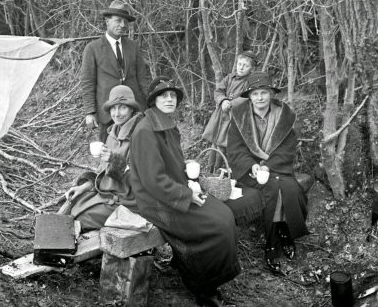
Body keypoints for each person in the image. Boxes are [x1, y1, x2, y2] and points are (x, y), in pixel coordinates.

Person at [130, 76, 240, 306]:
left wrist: (190, 179)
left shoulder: (168, 125)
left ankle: (193, 267)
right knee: (215, 227)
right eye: (163, 95)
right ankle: (204, 287)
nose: (170, 99)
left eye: (173, 96)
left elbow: (172, 166)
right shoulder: (145, 131)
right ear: (153, 100)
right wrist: (187, 195)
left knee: (224, 214)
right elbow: (153, 181)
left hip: (174, 191)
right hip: (155, 201)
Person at [227, 72, 309, 275]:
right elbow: (235, 149)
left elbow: (287, 147)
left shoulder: (284, 117)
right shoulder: (239, 117)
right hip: (251, 171)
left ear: (271, 94)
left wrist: (268, 165)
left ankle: (283, 231)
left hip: (277, 167)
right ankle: (272, 244)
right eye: (255, 94)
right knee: (273, 189)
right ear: (249, 96)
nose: (260, 98)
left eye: (264, 92)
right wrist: (252, 166)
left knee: (290, 189)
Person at [61, 85, 142, 231]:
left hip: (128, 203)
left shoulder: (140, 135)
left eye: (122, 108)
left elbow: (141, 181)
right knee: (68, 205)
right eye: (113, 108)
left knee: (77, 221)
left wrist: (114, 160)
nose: (116, 114)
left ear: (132, 109)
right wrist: (83, 187)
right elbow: (103, 173)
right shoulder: (113, 133)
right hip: (106, 195)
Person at [81, 0, 151, 142]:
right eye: (118, 21)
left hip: (133, 111)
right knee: (108, 154)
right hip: (108, 113)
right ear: (107, 21)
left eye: (125, 21)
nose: (123, 25)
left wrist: (150, 105)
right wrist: (90, 112)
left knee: (135, 152)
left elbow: (143, 79)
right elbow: (88, 82)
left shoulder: (133, 47)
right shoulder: (92, 49)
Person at [202, 51, 257, 171]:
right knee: (214, 141)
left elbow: (246, 97)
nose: (241, 67)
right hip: (221, 114)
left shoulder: (249, 82)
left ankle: (217, 170)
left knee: (223, 144)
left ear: (251, 69)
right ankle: (208, 169)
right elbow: (218, 91)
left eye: (245, 66)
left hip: (234, 117)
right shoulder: (229, 78)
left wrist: (231, 104)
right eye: (239, 64)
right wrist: (222, 100)